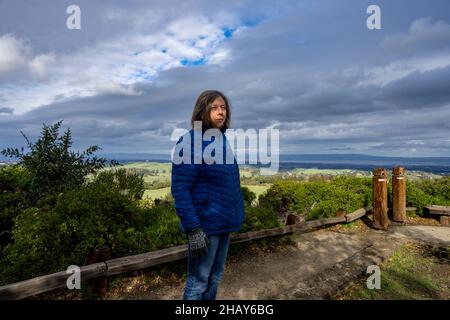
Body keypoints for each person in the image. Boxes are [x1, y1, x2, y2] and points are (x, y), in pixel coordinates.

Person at [171, 90, 245, 300]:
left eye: (223, 108)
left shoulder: (220, 139)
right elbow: (181, 189)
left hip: (223, 224)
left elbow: (227, 182)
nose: (221, 112)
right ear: (202, 110)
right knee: (198, 282)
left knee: (215, 277)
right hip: (204, 227)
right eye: (214, 108)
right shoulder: (190, 141)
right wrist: (194, 229)